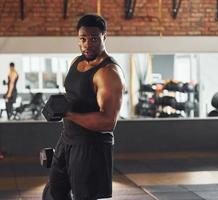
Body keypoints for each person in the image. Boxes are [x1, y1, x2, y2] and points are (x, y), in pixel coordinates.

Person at [47, 14, 125, 200]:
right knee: (56, 192)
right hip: (67, 139)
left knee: (84, 197)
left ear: (104, 37)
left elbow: (107, 122)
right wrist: (58, 105)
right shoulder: (77, 61)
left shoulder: (109, 73)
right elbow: (74, 95)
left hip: (91, 146)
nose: (87, 44)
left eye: (93, 39)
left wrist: (69, 114)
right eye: (83, 39)